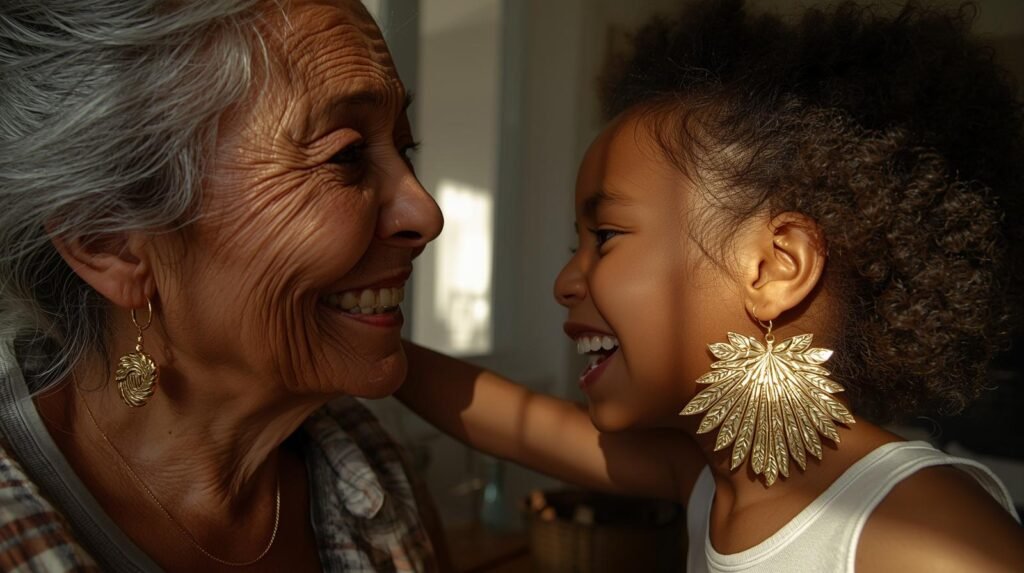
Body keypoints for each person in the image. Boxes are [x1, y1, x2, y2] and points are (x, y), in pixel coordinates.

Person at [398, 1, 1024, 571]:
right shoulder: (709, 478)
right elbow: (511, 422)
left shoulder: (924, 532)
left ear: (776, 267)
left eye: (606, 236)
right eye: (575, 246)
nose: (565, 281)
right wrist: (359, 341)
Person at [0, 0, 450, 570]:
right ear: (108, 241)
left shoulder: (366, 471)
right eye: (347, 155)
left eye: (405, 149)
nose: (426, 214)